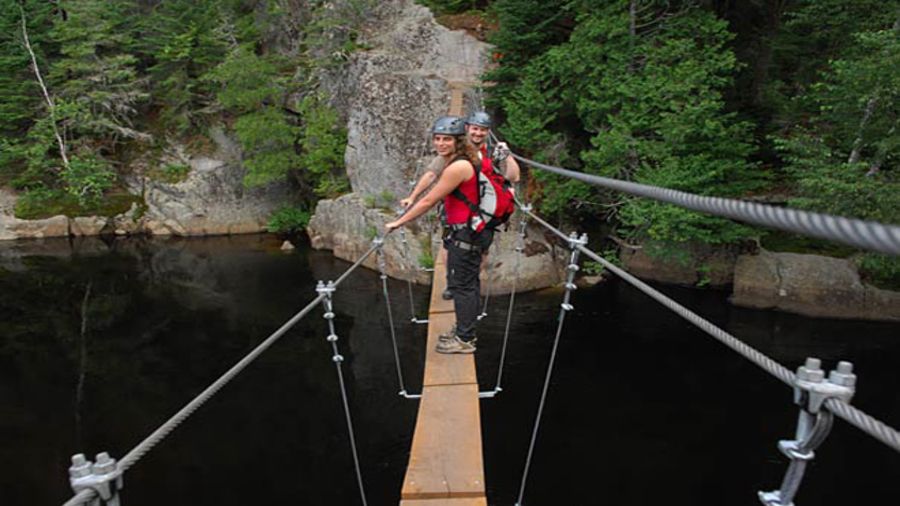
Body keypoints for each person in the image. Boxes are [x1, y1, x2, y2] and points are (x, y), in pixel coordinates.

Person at [386, 116, 487, 354]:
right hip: (470, 231)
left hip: (466, 235)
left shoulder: (458, 167)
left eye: (447, 140)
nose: (440, 144)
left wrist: (400, 221)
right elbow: (430, 178)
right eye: (437, 139)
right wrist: (413, 195)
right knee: (467, 284)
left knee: (463, 287)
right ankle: (464, 330)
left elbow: (431, 200)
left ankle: (464, 339)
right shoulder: (460, 159)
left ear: (458, 141)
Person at [399, 111, 521, 300]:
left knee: (480, 251)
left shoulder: (493, 152)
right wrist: (412, 197)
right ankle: (452, 282)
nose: (478, 133)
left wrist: (508, 156)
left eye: (482, 130)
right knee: (449, 246)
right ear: (467, 129)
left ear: (488, 132)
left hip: (483, 211)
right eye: (475, 129)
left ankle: (468, 281)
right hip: (457, 209)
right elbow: (431, 173)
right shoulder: (455, 150)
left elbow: (514, 177)